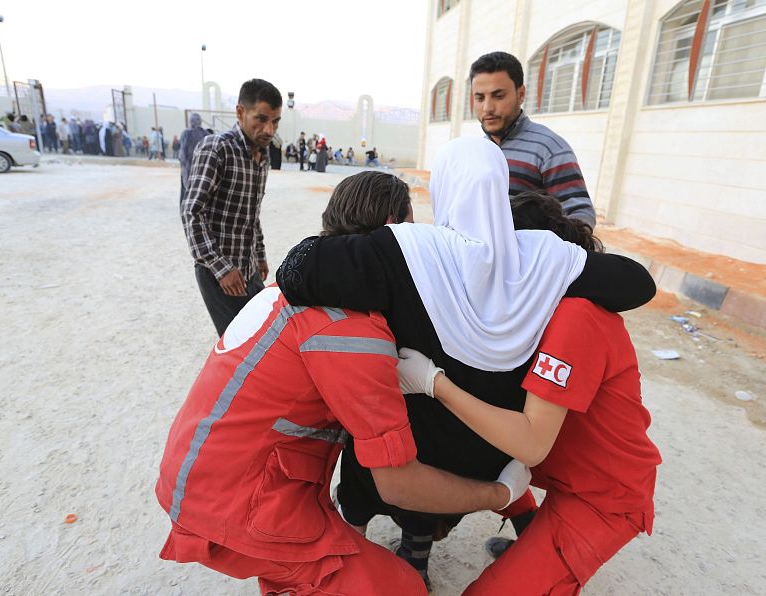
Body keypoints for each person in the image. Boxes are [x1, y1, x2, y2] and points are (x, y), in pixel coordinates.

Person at [276, 138, 656, 587]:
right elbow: (639, 284)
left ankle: (358, 557)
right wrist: (536, 257)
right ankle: (420, 553)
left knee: (378, 455)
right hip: (488, 452)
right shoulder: (544, 264)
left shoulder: (411, 253)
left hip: (455, 451)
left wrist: (385, 244)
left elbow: (296, 269)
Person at [157, 174, 533, 594]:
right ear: (393, 230)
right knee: (400, 587)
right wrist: (499, 494)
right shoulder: (351, 328)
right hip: (236, 503)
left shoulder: (298, 284)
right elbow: (399, 484)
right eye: (413, 229)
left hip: (201, 476)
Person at [396, 190, 661, 595]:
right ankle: (531, 531)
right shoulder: (536, 313)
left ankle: (542, 553)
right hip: (557, 469)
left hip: (601, 498)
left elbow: (532, 443)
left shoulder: (575, 318)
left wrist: (435, 383)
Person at [182, 78, 280, 336]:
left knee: (264, 336)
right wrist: (221, 268)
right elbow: (192, 211)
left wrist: (259, 254)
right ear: (240, 112)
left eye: (275, 121)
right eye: (261, 119)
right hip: (219, 274)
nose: (269, 129)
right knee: (239, 345)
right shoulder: (217, 149)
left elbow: (251, 213)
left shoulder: (263, 157)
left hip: (249, 268)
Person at [470, 51, 596, 228]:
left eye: (498, 96)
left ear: (521, 94)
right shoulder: (476, 151)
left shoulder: (549, 149)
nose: (487, 108)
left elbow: (581, 216)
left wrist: (537, 243)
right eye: (480, 98)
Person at [178, 113, 210, 203]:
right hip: (202, 170)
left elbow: (182, 154)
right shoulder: (206, 134)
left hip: (188, 169)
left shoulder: (186, 133)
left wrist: (183, 166)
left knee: (186, 194)